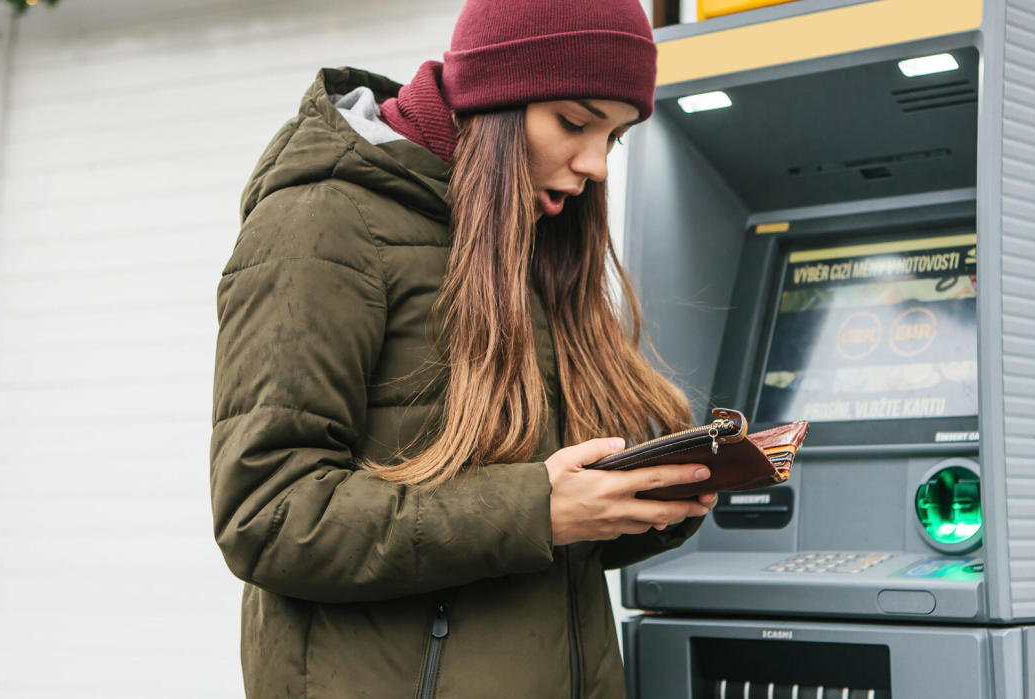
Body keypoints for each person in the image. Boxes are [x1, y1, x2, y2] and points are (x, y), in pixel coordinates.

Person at [210, 1, 716, 696]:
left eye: (616, 137)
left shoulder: (529, 230)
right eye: (574, 121)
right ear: (494, 98)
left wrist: (639, 502)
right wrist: (536, 508)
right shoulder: (323, 221)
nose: (595, 163)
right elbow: (267, 514)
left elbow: (543, 528)